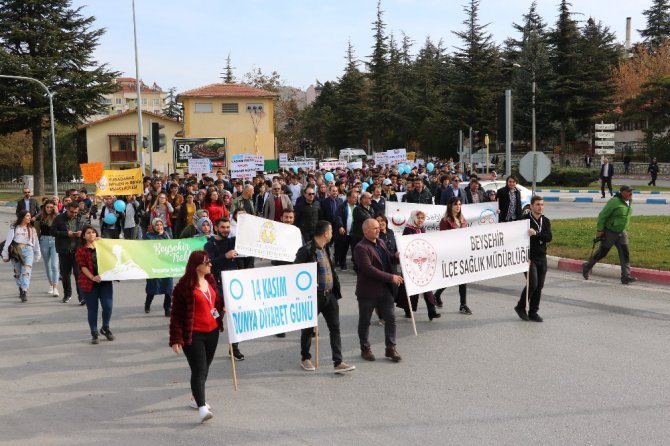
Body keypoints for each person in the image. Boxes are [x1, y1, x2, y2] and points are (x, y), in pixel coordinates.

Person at [294, 221, 355, 374]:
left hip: (330, 295)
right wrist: (307, 283)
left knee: (335, 327)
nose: (332, 233)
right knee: (308, 328)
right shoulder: (306, 250)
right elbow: (296, 272)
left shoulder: (325, 248)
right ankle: (305, 358)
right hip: (314, 297)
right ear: (325, 233)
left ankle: (338, 361)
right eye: (331, 231)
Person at [169, 250, 223, 423]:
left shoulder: (210, 280)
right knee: (199, 369)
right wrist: (176, 339)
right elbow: (176, 314)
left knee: (205, 368)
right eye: (207, 263)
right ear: (197, 265)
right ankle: (201, 407)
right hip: (193, 334)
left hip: (213, 332)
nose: (210, 265)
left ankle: (195, 397)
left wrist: (222, 311)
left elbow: (215, 302)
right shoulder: (183, 287)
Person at [353, 218, 403, 363]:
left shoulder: (380, 242)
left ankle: (390, 348)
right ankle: (365, 348)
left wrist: (396, 257)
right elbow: (369, 270)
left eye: (378, 227)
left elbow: (387, 260)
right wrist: (391, 277)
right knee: (365, 321)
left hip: (384, 290)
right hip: (368, 292)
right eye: (374, 228)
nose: (378, 229)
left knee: (391, 319)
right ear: (366, 231)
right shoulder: (360, 248)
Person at [204, 218, 245, 360]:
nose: (226, 230)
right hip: (217, 286)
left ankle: (234, 348)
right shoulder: (209, 245)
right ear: (216, 228)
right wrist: (225, 256)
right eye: (222, 227)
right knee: (216, 317)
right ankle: (206, 346)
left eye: (228, 227)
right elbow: (209, 264)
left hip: (234, 286)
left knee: (236, 318)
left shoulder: (232, 241)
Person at [582, 185, 636, 285]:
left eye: (632, 191)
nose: (631, 193)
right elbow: (602, 216)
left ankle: (625, 276)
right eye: (629, 191)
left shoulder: (629, 201)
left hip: (622, 232)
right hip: (610, 232)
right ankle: (587, 266)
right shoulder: (614, 202)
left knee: (625, 254)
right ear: (622, 192)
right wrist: (600, 230)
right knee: (602, 253)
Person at [514, 196, 552, 322]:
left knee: (539, 286)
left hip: (542, 257)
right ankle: (520, 306)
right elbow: (518, 239)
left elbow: (549, 237)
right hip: (529, 258)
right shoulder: (524, 220)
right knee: (533, 284)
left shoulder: (545, 221)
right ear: (531, 206)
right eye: (537, 204)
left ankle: (533, 312)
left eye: (542, 204)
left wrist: (537, 234)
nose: (540, 207)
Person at [75, 225, 115, 344]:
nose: (91, 234)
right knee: (93, 309)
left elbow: (114, 253)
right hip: (89, 283)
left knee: (108, 306)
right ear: (83, 236)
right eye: (88, 233)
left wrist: (102, 241)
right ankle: (94, 332)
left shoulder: (102, 247)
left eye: (93, 232)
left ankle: (105, 328)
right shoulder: (81, 250)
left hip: (105, 282)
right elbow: (82, 267)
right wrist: (93, 277)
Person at [399, 210, 441, 320]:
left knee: (427, 287)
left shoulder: (421, 228)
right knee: (411, 288)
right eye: (419, 218)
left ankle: (431, 311)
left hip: (423, 262)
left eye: (422, 218)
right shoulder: (408, 229)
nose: (420, 220)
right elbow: (407, 246)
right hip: (412, 264)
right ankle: (408, 310)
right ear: (413, 218)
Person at [437, 198, 472, 315]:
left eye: (459, 204)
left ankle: (463, 304)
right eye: (455, 204)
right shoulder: (445, 221)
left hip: (462, 252)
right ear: (450, 206)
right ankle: (436, 295)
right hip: (451, 253)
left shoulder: (462, 219)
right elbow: (443, 239)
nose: (458, 206)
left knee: (463, 279)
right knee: (450, 278)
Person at [2, 210, 41, 302]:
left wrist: (37, 253)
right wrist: (5, 254)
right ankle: (21, 287)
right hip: (16, 251)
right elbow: (8, 242)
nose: (29, 218)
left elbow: (35, 243)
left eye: (30, 216)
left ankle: (24, 291)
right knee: (18, 273)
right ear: (22, 217)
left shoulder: (32, 229)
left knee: (26, 271)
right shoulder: (14, 228)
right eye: (27, 216)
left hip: (28, 251)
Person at [54, 201, 87, 304]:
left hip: (77, 250)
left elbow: (89, 231)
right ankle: (67, 295)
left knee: (78, 274)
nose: (74, 214)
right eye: (71, 212)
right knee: (65, 275)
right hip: (64, 250)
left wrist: (82, 234)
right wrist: (65, 233)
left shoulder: (81, 217)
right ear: (67, 209)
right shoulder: (59, 218)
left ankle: (81, 297)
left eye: (76, 212)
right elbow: (52, 232)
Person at [143, 219, 174, 317]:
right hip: (154, 266)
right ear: (153, 226)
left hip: (166, 266)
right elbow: (148, 247)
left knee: (168, 288)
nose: (159, 227)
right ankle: (147, 304)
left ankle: (167, 308)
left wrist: (164, 235)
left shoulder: (167, 235)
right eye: (157, 225)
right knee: (152, 288)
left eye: (161, 225)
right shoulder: (148, 236)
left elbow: (172, 246)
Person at [35, 200, 60, 296]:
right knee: (48, 265)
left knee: (54, 265)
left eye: (51, 207)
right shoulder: (41, 217)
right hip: (43, 241)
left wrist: (57, 212)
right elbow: (36, 228)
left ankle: (55, 288)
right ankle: (51, 285)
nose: (49, 209)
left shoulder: (57, 217)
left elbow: (63, 222)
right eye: (47, 207)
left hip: (55, 241)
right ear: (44, 208)